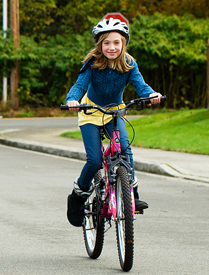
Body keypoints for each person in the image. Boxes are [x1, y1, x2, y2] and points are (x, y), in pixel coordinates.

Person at [65, 18, 162, 226]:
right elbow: (79, 86)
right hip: (91, 111)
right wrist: (72, 100)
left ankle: (132, 195)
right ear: (99, 44)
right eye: (106, 42)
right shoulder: (92, 63)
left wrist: (151, 94)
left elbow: (141, 86)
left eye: (116, 42)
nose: (111, 47)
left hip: (115, 112)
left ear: (123, 44)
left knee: (125, 151)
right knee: (95, 161)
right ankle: (77, 196)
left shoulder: (129, 64)